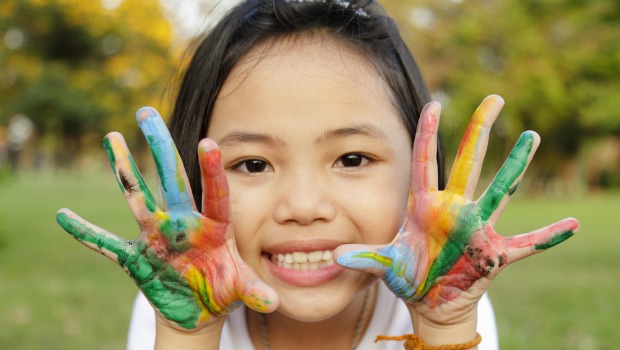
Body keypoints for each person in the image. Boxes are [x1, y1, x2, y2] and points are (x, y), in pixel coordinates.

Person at [56, 1, 579, 349]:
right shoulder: (173, 304)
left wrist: (443, 328)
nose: (304, 205)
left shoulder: (448, 302)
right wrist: (185, 335)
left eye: (352, 159)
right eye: (253, 165)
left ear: (422, 174)